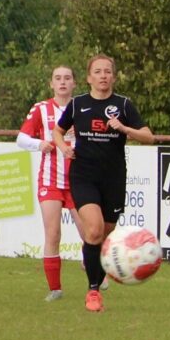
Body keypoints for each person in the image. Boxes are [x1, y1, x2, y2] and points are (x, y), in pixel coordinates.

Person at [53, 55, 153, 313]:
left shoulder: (123, 105)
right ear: (89, 78)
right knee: (95, 229)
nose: (103, 76)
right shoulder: (77, 104)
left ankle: (93, 261)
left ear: (114, 77)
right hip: (83, 176)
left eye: (107, 71)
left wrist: (125, 129)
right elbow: (58, 131)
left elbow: (148, 137)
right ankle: (93, 291)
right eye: (97, 71)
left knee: (104, 236)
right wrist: (63, 147)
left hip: (113, 179)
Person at [17, 66, 78, 301]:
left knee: (90, 233)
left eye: (67, 78)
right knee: (53, 234)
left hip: (79, 179)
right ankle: (55, 289)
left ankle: (94, 274)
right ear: (51, 84)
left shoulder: (82, 108)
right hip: (51, 180)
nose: (62, 82)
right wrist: (38, 144)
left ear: (74, 83)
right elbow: (21, 138)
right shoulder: (41, 109)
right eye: (58, 78)